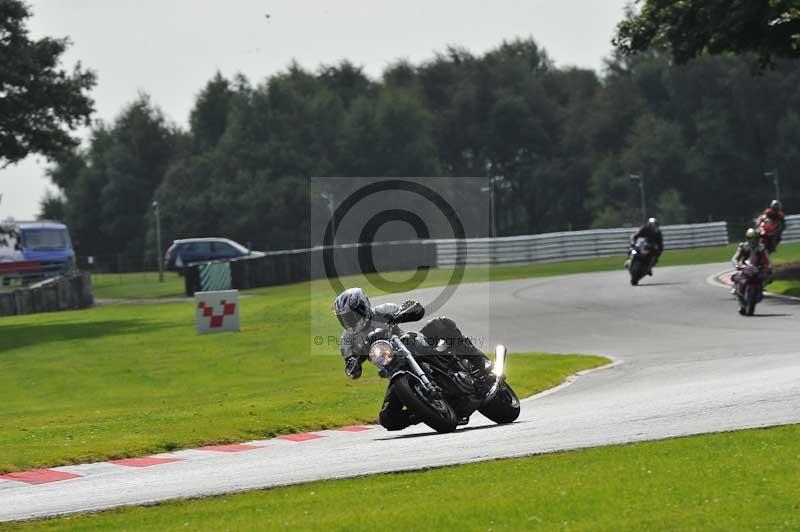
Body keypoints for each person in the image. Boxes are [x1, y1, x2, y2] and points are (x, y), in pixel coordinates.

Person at [332, 287, 487, 431]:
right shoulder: (348, 340)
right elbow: (350, 367)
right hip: (394, 370)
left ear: (363, 307)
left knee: (440, 324)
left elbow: (416, 309)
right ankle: (425, 411)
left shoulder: (383, 311)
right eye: (344, 319)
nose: (349, 322)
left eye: (351, 316)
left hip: (412, 346)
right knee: (387, 419)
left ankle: (480, 362)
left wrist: (407, 311)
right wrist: (354, 365)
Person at [731, 228, 772, 293]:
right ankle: (736, 286)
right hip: (745, 267)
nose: (753, 241)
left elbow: (767, 260)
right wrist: (737, 265)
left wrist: (768, 267)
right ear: (748, 238)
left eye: (755, 238)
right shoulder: (743, 246)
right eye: (751, 238)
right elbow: (735, 258)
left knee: (768, 276)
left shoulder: (761, 248)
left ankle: (761, 287)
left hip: (758, 267)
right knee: (735, 275)